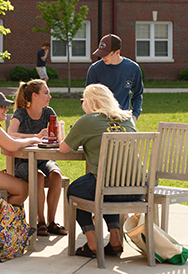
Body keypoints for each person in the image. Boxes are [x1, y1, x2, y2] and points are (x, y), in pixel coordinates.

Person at [59, 83, 139, 257]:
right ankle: (115, 239)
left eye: (83, 100)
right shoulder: (127, 118)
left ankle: (93, 243)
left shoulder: (88, 120)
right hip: (137, 187)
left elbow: (63, 148)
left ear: (90, 101)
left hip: (109, 185)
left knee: (75, 192)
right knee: (106, 191)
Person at [7, 79, 67, 236]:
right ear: (34, 95)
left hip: (44, 159)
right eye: (46, 93)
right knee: (38, 177)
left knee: (56, 176)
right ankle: (40, 222)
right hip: (22, 161)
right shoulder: (21, 112)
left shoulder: (48, 112)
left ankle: (51, 222)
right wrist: (36, 136)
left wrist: (60, 129)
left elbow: (59, 139)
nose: (49, 96)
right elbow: (10, 134)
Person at [86, 33, 144, 120]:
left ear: (117, 52)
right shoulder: (95, 69)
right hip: (100, 119)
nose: (102, 57)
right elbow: (88, 98)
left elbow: (137, 94)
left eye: (106, 54)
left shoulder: (133, 68)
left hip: (123, 117)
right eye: (101, 54)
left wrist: (135, 115)